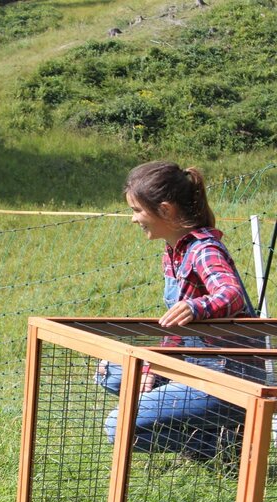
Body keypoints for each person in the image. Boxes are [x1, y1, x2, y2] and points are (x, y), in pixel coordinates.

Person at [97, 161, 258, 459]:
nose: (134, 219)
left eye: (137, 210)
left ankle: (222, 450)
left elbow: (231, 293)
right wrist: (153, 366)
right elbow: (176, 329)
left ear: (166, 210)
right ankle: (211, 428)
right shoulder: (172, 254)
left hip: (228, 376)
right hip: (195, 366)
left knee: (117, 426)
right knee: (110, 372)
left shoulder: (204, 250)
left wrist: (197, 306)